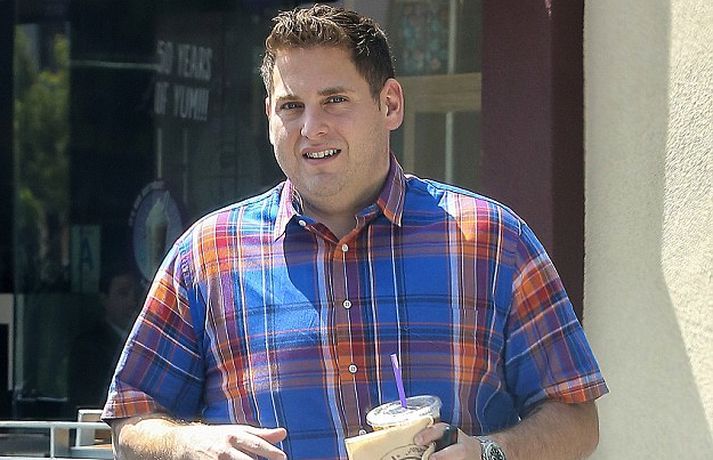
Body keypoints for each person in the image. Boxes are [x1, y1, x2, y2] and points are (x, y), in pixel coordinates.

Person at [103, 4, 608, 459]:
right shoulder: (208, 254)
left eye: (335, 100)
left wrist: (489, 455)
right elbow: (131, 420)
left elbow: (576, 418)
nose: (311, 127)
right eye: (291, 106)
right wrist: (191, 445)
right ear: (269, 115)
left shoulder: (491, 241)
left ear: (390, 104)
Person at [69, 267, 139, 412]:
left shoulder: (148, 341)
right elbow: (89, 402)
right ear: (104, 299)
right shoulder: (88, 347)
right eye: (123, 293)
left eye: (137, 293)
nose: (132, 302)